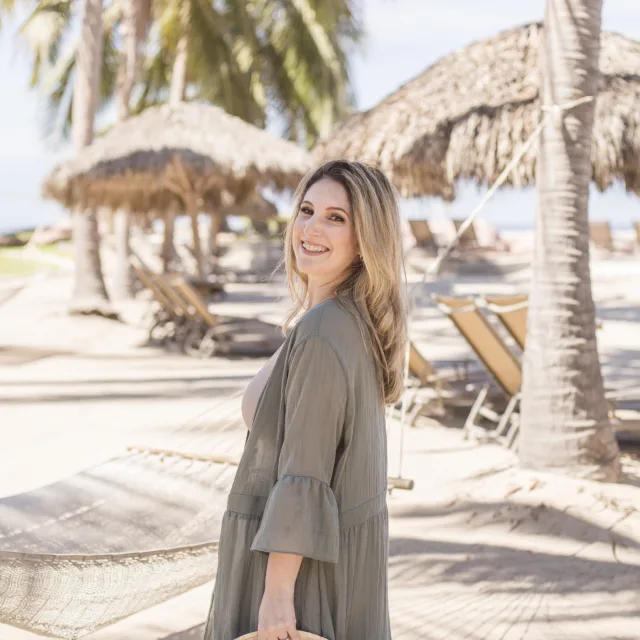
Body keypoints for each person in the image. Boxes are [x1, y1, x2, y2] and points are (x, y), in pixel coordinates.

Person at [204, 160, 408, 640]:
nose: (311, 228)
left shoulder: (324, 331)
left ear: (365, 240)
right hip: (325, 563)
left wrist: (276, 599)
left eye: (336, 218)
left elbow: (305, 474)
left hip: (299, 578)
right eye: (307, 210)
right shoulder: (343, 321)